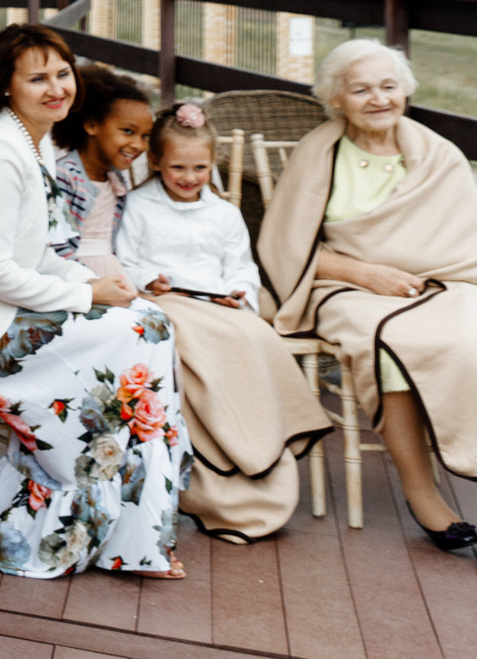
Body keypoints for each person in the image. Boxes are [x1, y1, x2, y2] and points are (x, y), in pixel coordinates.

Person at [258, 40, 477, 576]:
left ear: (405, 92)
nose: (378, 98)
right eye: (361, 89)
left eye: (388, 86)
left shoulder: (439, 154)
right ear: (336, 98)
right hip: (347, 288)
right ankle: (420, 491)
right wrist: (364, 273)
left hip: (446, 283)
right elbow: (287, 246)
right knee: (386, 347)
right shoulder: (318, 153)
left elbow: (472, 249)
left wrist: (423, 277)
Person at [0, 25, 190, 580]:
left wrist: (99, 284)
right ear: (6, 85)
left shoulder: (36, 143)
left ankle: (139, 534)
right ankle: (126, 535)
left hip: (9, 308)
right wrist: (86, 293)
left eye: (62, 74)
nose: (56, 88)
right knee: (141, 334)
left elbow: (40, 254)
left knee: (149, 318)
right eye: (38, 78)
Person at [110, 103, 328, 544]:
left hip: (220, 304)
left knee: (256, 336)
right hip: (167, 301)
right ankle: (222, 460)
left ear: (213, 164)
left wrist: (239, 292)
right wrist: (148, 278)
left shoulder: (224, 214)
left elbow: (242, 268)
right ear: (156, 162)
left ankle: (260, 441)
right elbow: (123, 259)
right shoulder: (138, 206)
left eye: (200, 168)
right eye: (178, 167)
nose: (189, 177)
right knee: (197, 346)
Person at [48, 64, 155, 263]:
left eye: (145, 136)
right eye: (128, 131)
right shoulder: (64, 177)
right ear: (92, 125)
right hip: (73, 270)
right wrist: (85, 277)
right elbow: (56, 244)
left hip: (112, 267)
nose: (139, 145)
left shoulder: (115, 180)